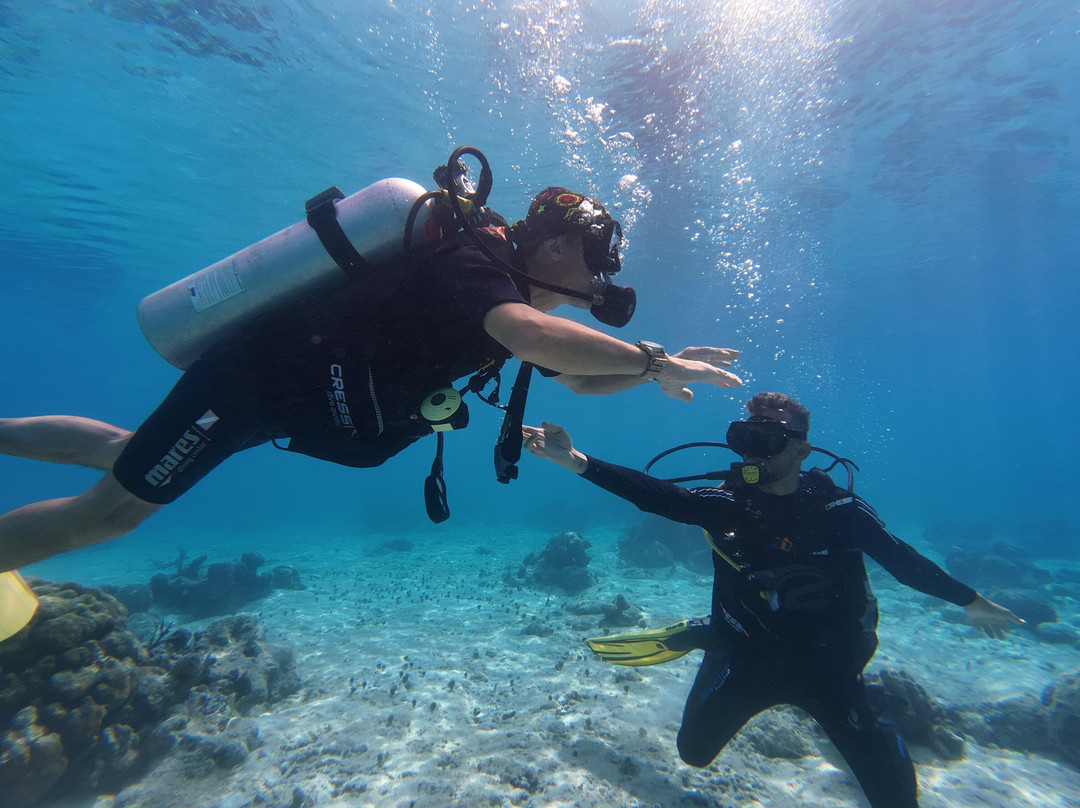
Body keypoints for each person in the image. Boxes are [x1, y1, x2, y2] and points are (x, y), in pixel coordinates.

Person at [0, 186, 741, 574]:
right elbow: (531, 336)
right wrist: (649, 360)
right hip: (249, 387)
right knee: (110, 514)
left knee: (127, 453)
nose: (598, 286)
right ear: (550, 246)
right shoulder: (475, 263)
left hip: (276, 405)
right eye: (595, 267)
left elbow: (577, 380)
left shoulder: (501, 293)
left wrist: (649, 374)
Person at [522, 392, 1021, 808]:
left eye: (769, 440)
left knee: (896, 800)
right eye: (744, 439)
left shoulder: (838, 507)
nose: (752, 454)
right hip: (750, 658)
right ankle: (714, 638)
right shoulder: (727, 504)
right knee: (694, 753)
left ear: (803, 450)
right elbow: (657, 496)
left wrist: (970, 600)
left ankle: (878, 708)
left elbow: (900, 558)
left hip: (832, 670)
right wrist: (573, 460)